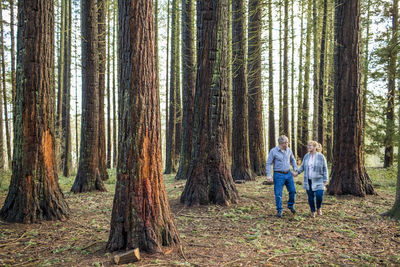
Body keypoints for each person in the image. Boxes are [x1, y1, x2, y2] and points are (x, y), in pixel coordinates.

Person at [266, 135, 298, 218]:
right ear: (280, 143)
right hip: (278, 174)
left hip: (288, 174)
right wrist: (269, 175)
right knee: (278, 193)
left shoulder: (289, 150)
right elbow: (269, 163)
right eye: (285, 142)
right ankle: (279, 209)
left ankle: (290, 205)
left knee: (293, 191)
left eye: (287, 142)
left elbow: (293, 160)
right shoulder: (273, 151)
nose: (287, 144)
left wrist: (295, 169)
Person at [294, 141, 328, 218]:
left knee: (319, 195)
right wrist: (297, 172)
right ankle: (313, 211)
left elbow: (325, 168)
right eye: (308, 145)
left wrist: (325, 180)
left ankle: (319, 208)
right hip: (308, 180)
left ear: (315, 147)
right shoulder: (306, 156)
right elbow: (302, 167)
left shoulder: (321, 156)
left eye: (311, 146)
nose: (308, 147)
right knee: (310, 197)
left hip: (319, 179)